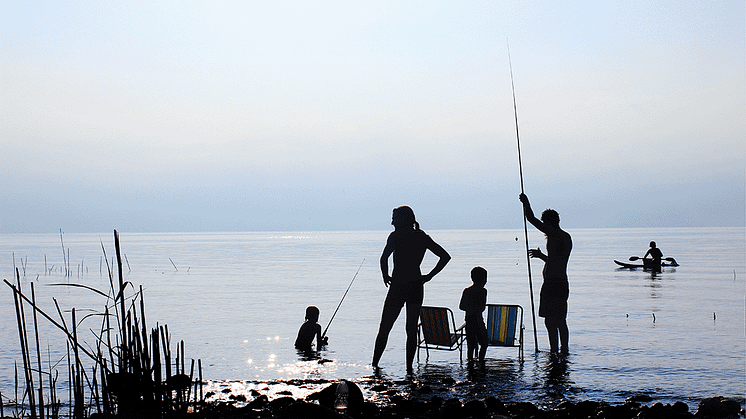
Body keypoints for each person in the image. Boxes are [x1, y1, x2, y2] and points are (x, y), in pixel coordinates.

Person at [372, 206, 451, 374]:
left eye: (394, 218)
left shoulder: (396, 236)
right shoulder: (421, 237)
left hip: (398, 286)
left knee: (385, 327)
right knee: (411, 329)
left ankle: (374, 365)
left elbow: (383, 258)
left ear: (402, 219)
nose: (391, 222)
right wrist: (429, 276)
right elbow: (445, 256)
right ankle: (409, 369)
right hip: (416, 285)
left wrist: (385, 275)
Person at [519, 193, 572, 355]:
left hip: (552, 284)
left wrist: (526, 202)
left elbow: (531, 219)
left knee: (551, 321)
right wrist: (542, 256)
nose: (543, 226)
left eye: (544, 223)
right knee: (560, 320)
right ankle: (563, 350)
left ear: (548, 222)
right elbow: (557, 260)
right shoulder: (566, 237)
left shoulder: (555, 234)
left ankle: (554, 350)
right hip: (561, 282)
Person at [459, 266, 489, 362]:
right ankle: (481, 360)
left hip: (469, 321)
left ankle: (470, 362)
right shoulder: (483, 291)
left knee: (471, 345)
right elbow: (482, 308)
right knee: (484, 343)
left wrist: (470, 307)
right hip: (478, 321)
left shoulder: (467, 291)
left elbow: (461, 306)